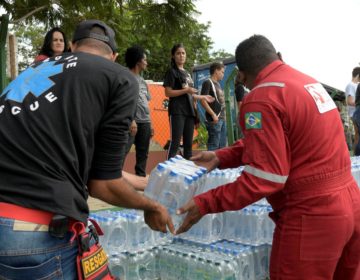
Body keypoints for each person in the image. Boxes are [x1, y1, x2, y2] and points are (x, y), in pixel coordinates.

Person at [0, 19, 174, 279]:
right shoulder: (118, 78)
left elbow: (87, 167)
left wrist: (145, 182)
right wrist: (152, 207)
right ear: (113, 56)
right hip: (34, 232)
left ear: (72, 46)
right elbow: (102, 185)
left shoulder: (34, 71)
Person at [176, 35, 360, 280]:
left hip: (312, 216)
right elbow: (282, 142)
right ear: (278, 57)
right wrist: (221, 157)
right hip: (351, 204)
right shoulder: (308, 83)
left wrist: (206, 202)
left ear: (241, 76)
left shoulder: (262, 97)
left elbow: (265, 179)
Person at [163, 43, 214, 159]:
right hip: (177, 111)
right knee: (175, 142)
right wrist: (186, 91)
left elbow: (191, 95)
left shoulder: (187, 74)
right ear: (173, 56)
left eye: (183, 53)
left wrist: (203, 97)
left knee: (188, 145)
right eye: (178, 53)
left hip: (190, 112)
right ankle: (167, 170)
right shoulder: (172, 72)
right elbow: (168, 93)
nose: (181, 56)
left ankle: (187, 171)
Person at [124, 45, 153, 177]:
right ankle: (114, 178)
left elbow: (145, 102)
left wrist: (150, 123)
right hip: (131, 122)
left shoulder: (143, 81)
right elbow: (123, 102)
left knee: (143, 153)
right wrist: (132, 120)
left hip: (145, 122)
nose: (146, 62)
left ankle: (140, 178)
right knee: (123, 150)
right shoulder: (125, 77)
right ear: (138, 61)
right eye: (145, 59)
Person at [200, 62, 227, 150]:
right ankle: (210, 164)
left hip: (222, 118)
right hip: (215, 119)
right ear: (216, 71)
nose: (223, 74)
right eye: (222, 72)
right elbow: (203, 100)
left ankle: (219, 164)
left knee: (222, 147)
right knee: (213, 146)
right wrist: (213, 114)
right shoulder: (207, 82)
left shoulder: (218, 84)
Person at [345, 67, 360, 151]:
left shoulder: (354, 85)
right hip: (355, 113)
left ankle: (355, 155)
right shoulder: (351, 85)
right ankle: (356, 155)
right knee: (358, 136)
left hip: (355, 112)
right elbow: (350, 101)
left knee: (357, 136)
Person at [234, 71, 246, 138]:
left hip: (243, 115)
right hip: (243, 115)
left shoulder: (241, 87)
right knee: (243, 137)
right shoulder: (240, 87)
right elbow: (240, 103)